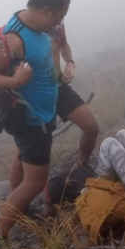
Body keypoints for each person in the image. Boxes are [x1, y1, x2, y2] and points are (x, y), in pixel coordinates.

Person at [0, 0, 70, 239]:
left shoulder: (35, 28)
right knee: (35, 181)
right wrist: (14, 82)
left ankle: (18, 207)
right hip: (29, 118)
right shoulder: (14, 40)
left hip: (39, 113)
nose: (59, 23)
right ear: (47, 11)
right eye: (59, 16)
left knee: (22, 158)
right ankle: (2, 233)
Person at [49, 22, 99, 166]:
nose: (62, 17)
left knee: (91, 127)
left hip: (58, 86)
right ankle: (26, 185)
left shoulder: (57, 23)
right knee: (36, 146)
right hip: (37, 93)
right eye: (61, 11)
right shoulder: (29, 27)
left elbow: (63, 44)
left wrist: (69, 63)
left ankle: (81, 166)